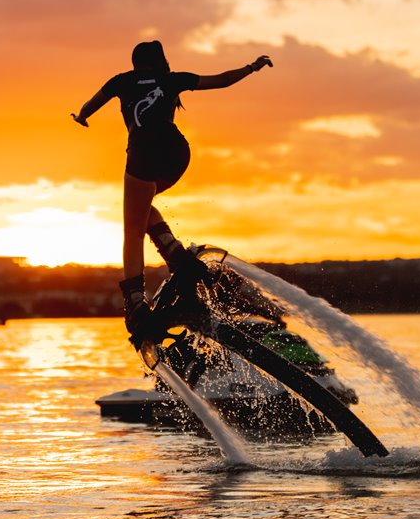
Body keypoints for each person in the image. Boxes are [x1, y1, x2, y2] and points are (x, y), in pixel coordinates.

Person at [71, 40, 272, 342]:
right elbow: (221, 80)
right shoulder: (172, 79)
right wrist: (252, 67)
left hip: (142, 154)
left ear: (135, 61)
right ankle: (174, 252)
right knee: (140, 209)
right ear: (160, 61)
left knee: (133, 229)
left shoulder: (121, 81)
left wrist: (82, 117)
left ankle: (136, 302)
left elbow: (91, 105)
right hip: (177, 154)